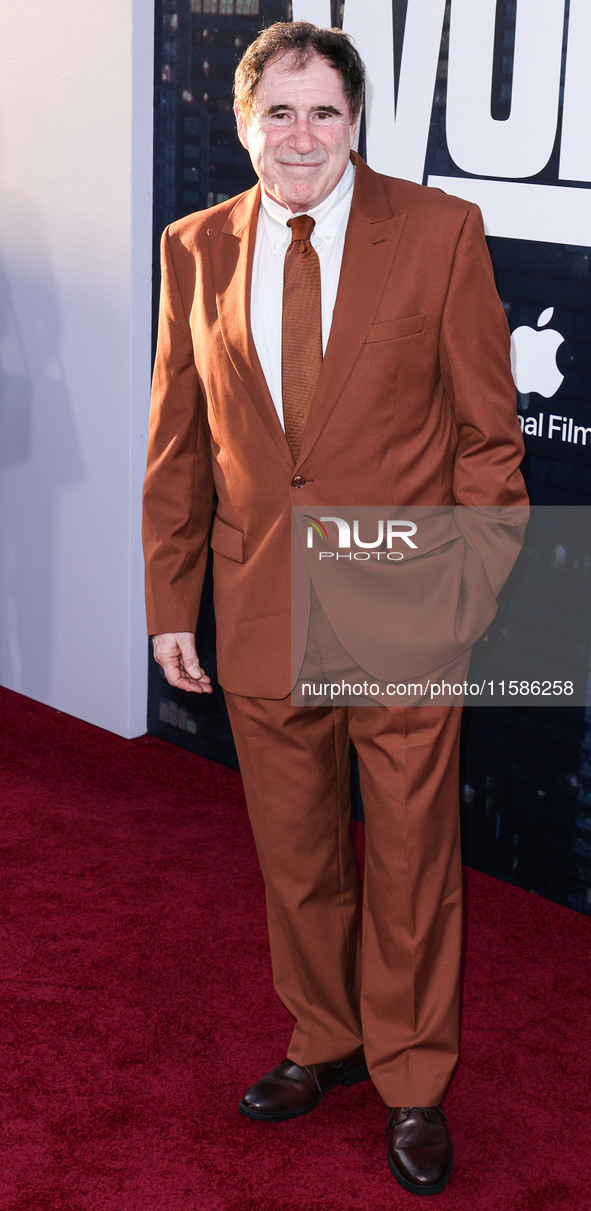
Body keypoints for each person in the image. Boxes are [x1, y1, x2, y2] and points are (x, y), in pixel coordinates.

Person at [142, 21, 528, 1196]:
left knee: (412, 856)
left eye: (325, 114)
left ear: (357, 124)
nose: (300, 137)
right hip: (259, 598)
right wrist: (171, 600)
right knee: (295, 850)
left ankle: (414, 1076)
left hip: (404, 597)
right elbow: (178, 447)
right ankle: (326, 1037)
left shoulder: (441, 233)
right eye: (280, 113)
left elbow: (489, 439)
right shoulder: (196, 246)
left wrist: (462, 592)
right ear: (244, 119)